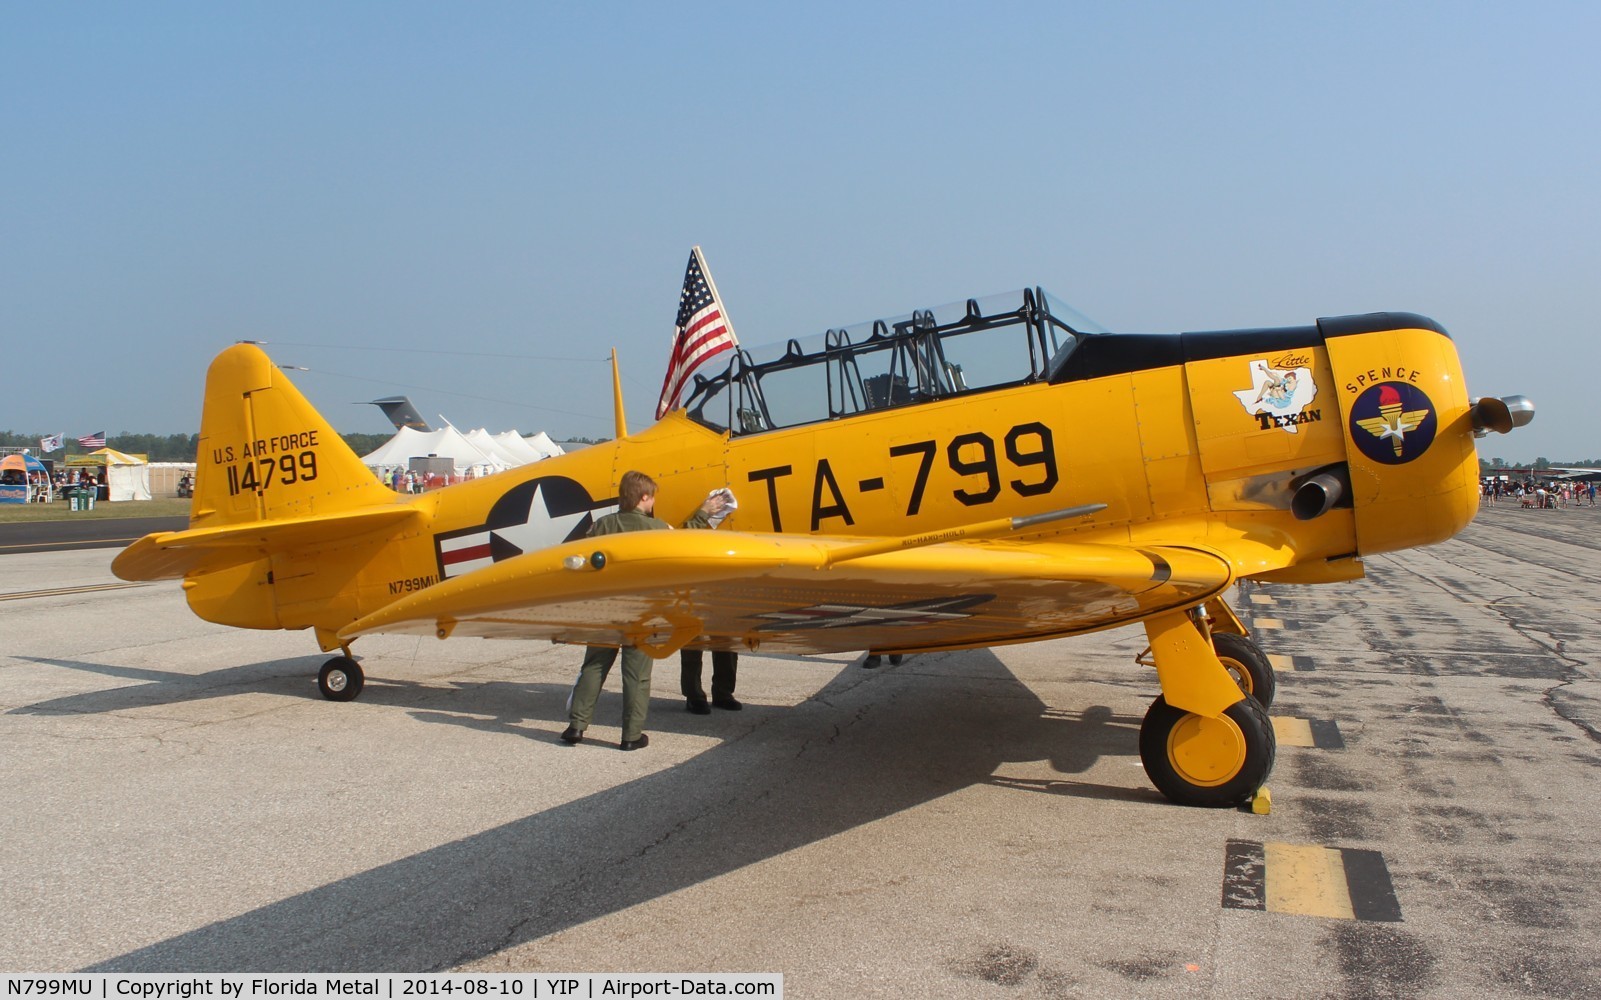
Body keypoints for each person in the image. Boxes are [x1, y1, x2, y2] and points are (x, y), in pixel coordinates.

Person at [563, 472, 727, 750]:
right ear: (644, 498)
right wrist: (702, 513)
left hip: (606, 609)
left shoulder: (601, 526)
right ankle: (631, 736)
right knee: (636, 675)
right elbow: (684, 547)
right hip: (643, 613)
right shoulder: (658, 528)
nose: (654, 502)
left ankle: (576, 727)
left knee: (593, 666)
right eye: (652, 497)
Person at [679, 488, 740, 714]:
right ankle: (694, 695)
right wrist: (703, 513)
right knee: (693, 640)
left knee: (726, 640)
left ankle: (723, 693)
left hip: (723, 581)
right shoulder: (696, 516)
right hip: (695, 584)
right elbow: (685, 538)